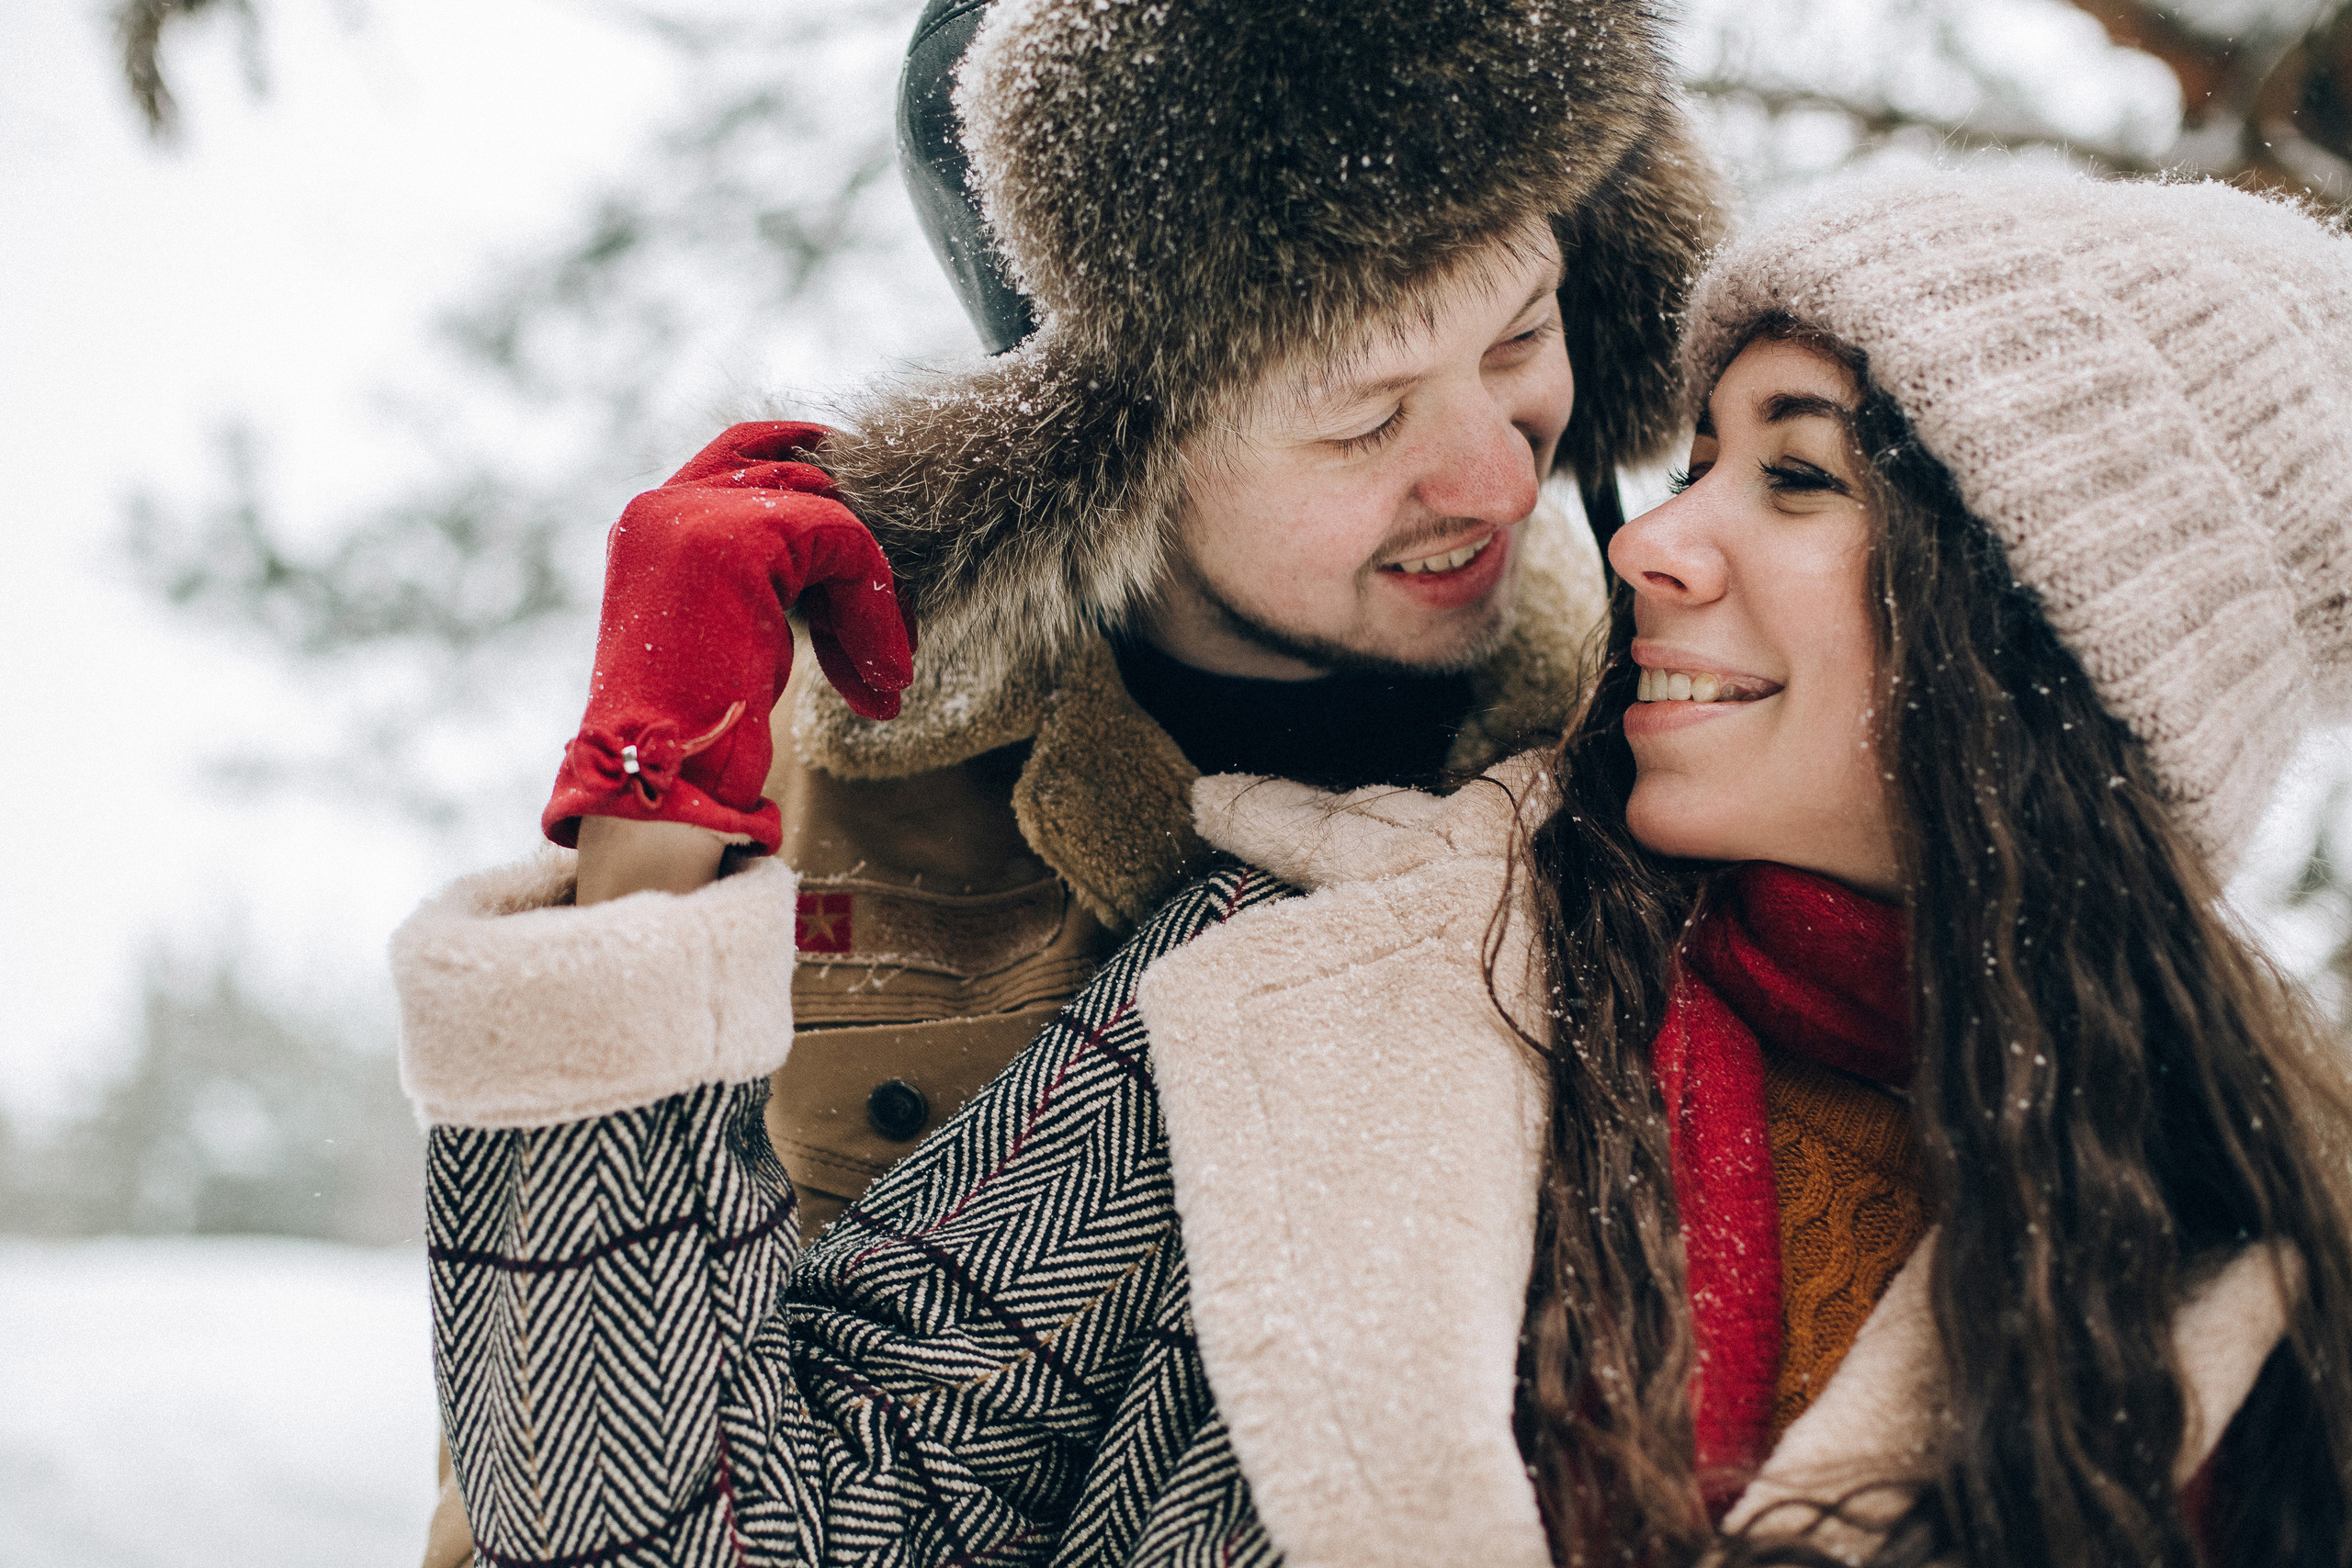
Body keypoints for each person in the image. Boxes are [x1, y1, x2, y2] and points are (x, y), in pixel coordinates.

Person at [407, 164, 2352, 1566]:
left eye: (1794, 472)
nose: (1637, 540)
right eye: (1691, 458)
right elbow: (691, 1524)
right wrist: (655, 816)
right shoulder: (1300, 981)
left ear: (2055, 630)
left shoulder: (2277, 1240)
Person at [401, 0, 1717, 1560]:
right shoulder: (811, 841)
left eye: (1520, 333)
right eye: (1360, 415)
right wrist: (646, 823)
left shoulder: (1658, 776)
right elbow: (596, 1496)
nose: (1497, 476)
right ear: (1106, 442)